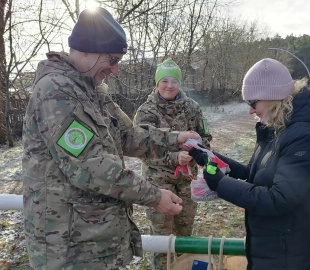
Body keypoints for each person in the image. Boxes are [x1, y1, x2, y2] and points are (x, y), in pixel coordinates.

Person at [21, 8, 201, 270]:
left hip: (94, 238)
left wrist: (176, 139)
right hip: (68, 245)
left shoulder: (92, 91)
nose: (115, 70)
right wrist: (153, 195)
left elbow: (128, 135)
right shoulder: (56, 91)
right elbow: (89, 166)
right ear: (87, 50)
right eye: (112, 60)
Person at [189, 58, 310, 270]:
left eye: (252, 102)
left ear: (272, 96)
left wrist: (220, 184)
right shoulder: (279, 127)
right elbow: (257, 176)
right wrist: (210, 157)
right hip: (277, 250)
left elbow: (279, 198)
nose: (250, 110)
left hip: (294, 256)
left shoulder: (303, 135)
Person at [133, 58, 212, 269]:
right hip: (158, 184)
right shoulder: (146, 112)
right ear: (157, 83)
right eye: (164, 80)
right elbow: (140, 147)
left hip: (187, 181)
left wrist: (196, 151)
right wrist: (173, 158)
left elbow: (206, 137)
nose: (169, 85)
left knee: (185, 233)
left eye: (174, 81)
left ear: (180, 83)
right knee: (162, 237)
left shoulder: (192, 108)